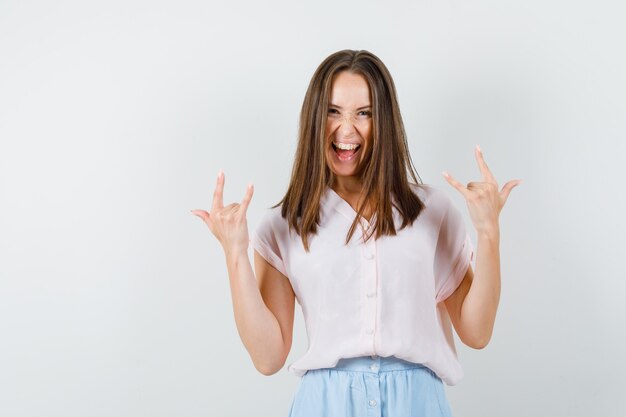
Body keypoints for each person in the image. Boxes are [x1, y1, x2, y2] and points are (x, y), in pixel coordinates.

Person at [191, 49, 520, 417]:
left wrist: (488, 231)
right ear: (314, 118)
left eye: (364, 113)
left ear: (385, 121)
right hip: (324, 405)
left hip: (417, 404)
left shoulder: (431, 212)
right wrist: (235, 252)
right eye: (333, 111)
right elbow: (268, 358)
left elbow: (477, 333)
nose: (346, 129)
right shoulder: (284, 224)